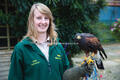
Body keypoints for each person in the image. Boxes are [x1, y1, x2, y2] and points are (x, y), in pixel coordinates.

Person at [8, 3, 69, 80]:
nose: (43, 22)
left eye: (46, 18)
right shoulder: (21, 49)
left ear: (50, 21)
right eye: (39, 18)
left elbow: (67, 75)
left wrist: (79, 71)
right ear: (32, 20)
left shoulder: (58, 46)